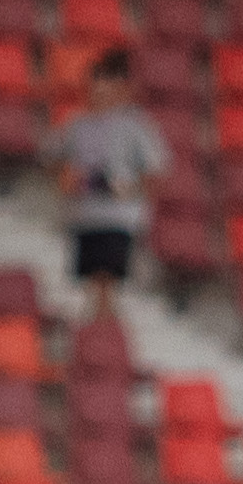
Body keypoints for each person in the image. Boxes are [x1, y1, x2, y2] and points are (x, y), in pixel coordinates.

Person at [43, 52, 169, 321]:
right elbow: (51, 157)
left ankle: (106, 331)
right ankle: (97, 330)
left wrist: (131, 190)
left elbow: (155, 169)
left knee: (108, 279)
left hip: (117, 215)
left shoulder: (134, 125)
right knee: (91, 280)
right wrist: (67, 180)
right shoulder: (77, 125)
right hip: (86, 213)